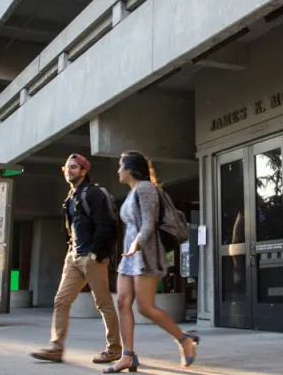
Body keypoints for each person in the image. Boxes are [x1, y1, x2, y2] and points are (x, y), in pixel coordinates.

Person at [103, 151, 199, 373]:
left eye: (120, 166)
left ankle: (184, 339)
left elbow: (148, 224)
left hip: (146, 254)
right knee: (122, 303)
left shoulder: (146, 189)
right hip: (130, 256)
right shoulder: (132, 192)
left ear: (129, 169)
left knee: (145, 307)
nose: (118, 170)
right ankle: (127, 356)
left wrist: (136, 244)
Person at [31, 153, 122, 365]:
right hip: (73, 257)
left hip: (92, 258)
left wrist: (95, 253)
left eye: (74, 167)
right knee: (61, 300)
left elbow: (106, 225)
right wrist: (72, 251)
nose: (69, 170)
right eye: (67, 167)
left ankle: (114, 349)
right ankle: (56, 347)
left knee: (103, 303)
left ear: (83, 171)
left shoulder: (93, 193)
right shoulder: (70, 198)